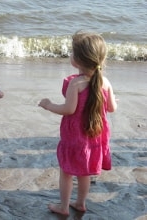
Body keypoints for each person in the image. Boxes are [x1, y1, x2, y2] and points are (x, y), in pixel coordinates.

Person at [38, 31, 117, 215]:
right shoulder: (105, 82)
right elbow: (112, 108)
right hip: (95, 135)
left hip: (76, 137)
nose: (70, 55)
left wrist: (48, 105)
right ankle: (80, 203)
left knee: (66, 171)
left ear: (79, 60)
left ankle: (63, 207)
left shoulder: (76, 84)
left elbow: (68, 109)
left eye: (73, 53)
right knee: (84, 171)